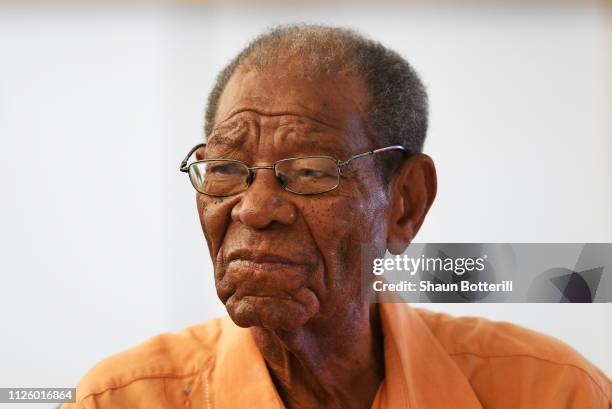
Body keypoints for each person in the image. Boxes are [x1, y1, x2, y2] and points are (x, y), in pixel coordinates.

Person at [62, 24, 611, 409]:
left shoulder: (552, 392)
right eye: (227, 168)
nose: (255, 208)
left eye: (308, 170)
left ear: (405, 205)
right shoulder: (122, 398)